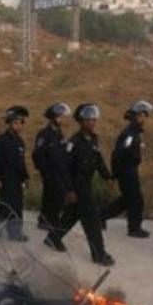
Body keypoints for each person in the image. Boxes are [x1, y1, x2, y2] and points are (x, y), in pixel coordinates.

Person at [46, 104, 115, 265]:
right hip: (77, 186)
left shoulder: (94, 139)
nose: (91, 123)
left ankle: (52, 238)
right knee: (92, 221)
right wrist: (69, 190)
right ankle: (99, 254)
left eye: (93, 119)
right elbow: (65, 169)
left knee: (71, 215)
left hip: (86, 183)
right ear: (80, 122)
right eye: (88, 120)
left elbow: (98, 160)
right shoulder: (74, 143)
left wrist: (107, 176)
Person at [100, 100, 153, 238]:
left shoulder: (133, 133)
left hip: (128, 170)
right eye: (143, 115)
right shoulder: (130, 134)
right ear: (138, 116)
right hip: (127, 172)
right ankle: (134, 228)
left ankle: (100, 216)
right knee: (136, 200)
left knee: (126, 200)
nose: (145, 119)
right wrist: (116, 173)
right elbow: (118, 153)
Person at [0, 105, 30, 242]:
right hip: (5, 180)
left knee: (17, 207)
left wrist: (25, 177)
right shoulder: (1, 141)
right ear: (9, 124)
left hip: (17, 181)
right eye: (15, 123)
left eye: (21, 123)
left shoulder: (19, 142)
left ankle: (15, 233)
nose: (19, 126)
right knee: (6, 208)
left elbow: (21, 164)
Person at [32, 103, 72, 233]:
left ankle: (48, 220)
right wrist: (45, 171)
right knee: (53, 196)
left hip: (59, 172)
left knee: (55, 197)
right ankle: (46, 221)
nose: (62, 119)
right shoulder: (44, 134)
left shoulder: (59, 133)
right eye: (60, 117)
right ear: (52, 118)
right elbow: (38, 154)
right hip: (50, 172)